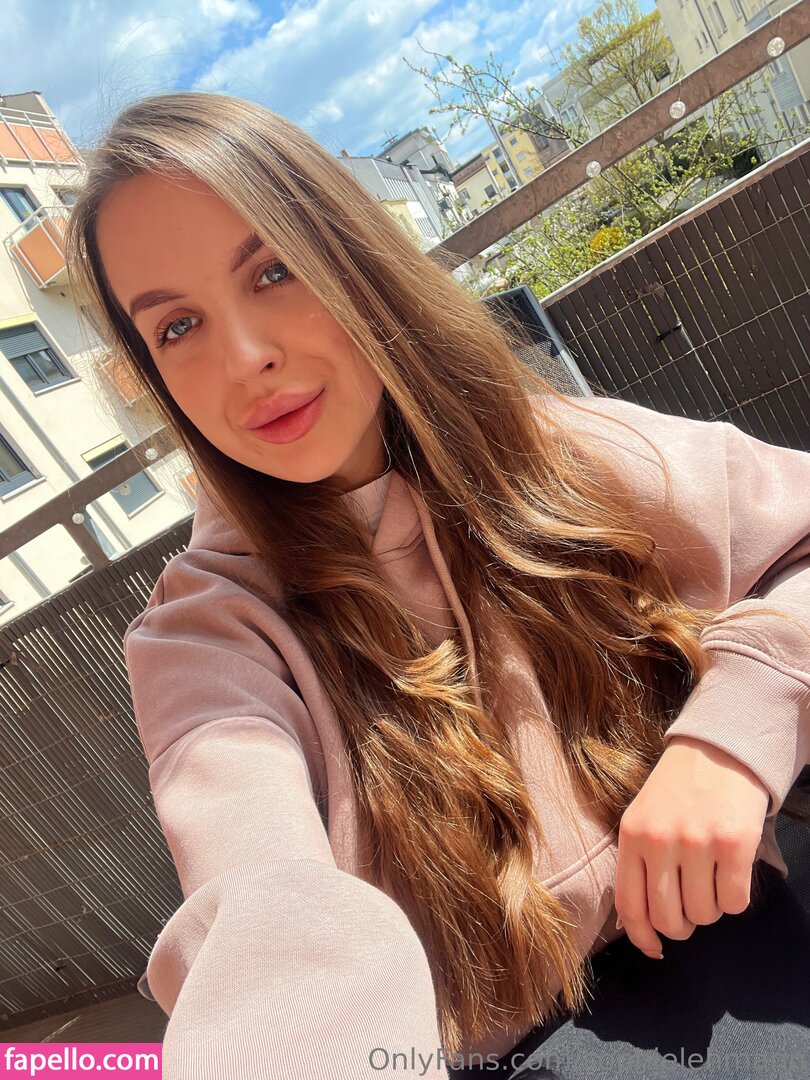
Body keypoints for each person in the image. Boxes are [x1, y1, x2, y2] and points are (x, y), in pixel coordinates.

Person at [63, 91, 810, 1079]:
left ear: (351, 257)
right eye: (178, 326)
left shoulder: (549, 450)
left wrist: (731, 738)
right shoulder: (204, 640)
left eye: (274, 271)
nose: (245, 359)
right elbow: (261, 902)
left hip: (738, 952)